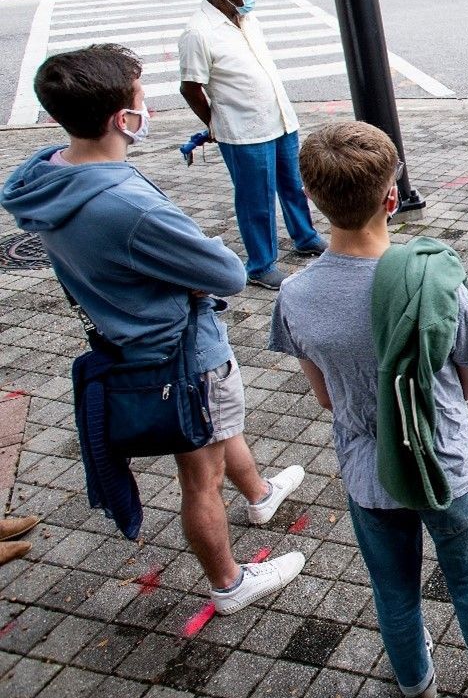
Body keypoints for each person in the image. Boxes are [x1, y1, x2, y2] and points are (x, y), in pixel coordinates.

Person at [270, 122, 468, 698]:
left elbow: (326, 399)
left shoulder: (295, 297)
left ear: (313, 200)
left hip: (368, 473)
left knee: (395, 592)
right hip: (447, 468)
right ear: (390, 198)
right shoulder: (433, 279)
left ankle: (416, 688)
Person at [1, 44, 305, 615]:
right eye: (142, 97)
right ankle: (229, 582)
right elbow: (225, 273)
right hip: (181, 355)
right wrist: (194, 270)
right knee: (201, 474)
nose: (149, 106)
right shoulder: (127, 204)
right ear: (124, 119)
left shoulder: (50, 178)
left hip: (125, 338)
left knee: (221, 430)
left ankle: (261, 496)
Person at [178, 0, 326, 290]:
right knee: (255, 199)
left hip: (280, 120)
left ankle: (305, 236)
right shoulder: (198, 32)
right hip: (244, 131)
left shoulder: (246, 17)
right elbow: (190, 87)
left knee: (293, 185)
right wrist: (214, 123)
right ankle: (260, 265)